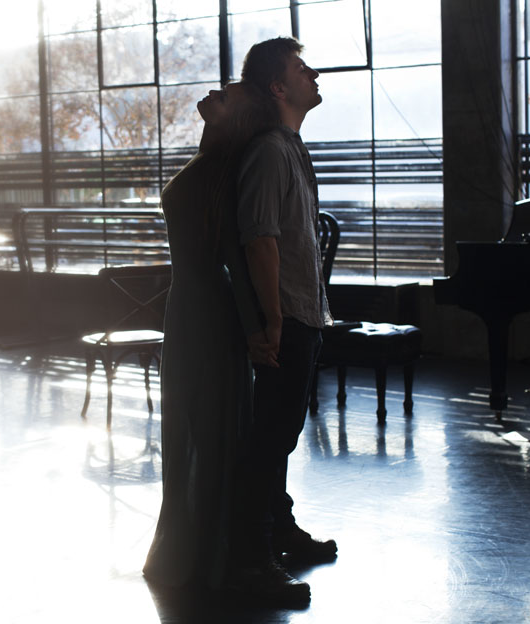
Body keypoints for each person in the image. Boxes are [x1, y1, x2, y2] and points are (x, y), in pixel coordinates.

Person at [142, 81, 272, 591]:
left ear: (236, 118)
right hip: (189, 306)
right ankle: (188, 545)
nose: (216, 91)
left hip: (209, 311)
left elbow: (236, 260)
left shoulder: (227, 173)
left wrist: (256, 328)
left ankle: (205, 553)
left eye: (228, 95)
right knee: (188, 423)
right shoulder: (210, 159)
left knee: (209, 426)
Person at [230, 37, 337, 603]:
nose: (313, 73)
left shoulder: (291, 146)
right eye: (301, 68)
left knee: (283, 436)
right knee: (270, 440)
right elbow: (260, 240)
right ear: (278, 87)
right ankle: (252, 562)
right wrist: (272, 320)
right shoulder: (271, 151)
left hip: (302, 313)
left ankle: (281, 532)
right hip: (288, 316)